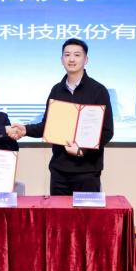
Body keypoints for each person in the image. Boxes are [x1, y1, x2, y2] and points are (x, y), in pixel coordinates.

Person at [13, 39, 114, 196]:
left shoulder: (98, 90)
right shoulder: (56, 90)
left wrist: (82, 151)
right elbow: (48, 125)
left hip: (87, 171)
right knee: (58, 212)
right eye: (67, 55)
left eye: (77, 55)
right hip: (59, 171)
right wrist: (25, 130)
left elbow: (107, 131)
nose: (71, 59)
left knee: (87, 213)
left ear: (86, 59)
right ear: (61, 59)